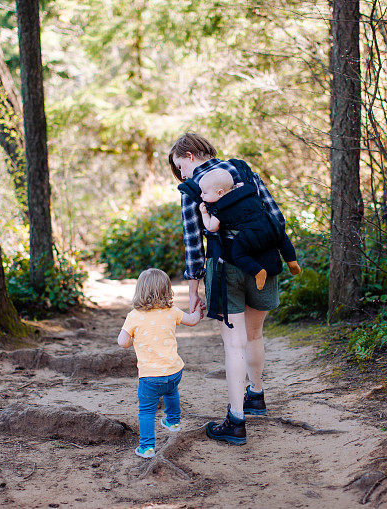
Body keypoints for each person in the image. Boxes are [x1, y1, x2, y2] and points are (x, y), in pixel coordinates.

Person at [168, 132, 288, 445]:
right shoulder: (244, 169)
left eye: (180, 166)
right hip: (265, 263)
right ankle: (257, 396)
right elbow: (276, 218)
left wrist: (193, 289)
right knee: (255, 335)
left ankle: (236, 421)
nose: (182, 174)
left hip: (225, 269)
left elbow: (194, 243)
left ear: (191, 156)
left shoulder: (193, 188)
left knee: (234, 344)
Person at [117, 268, 201, 458]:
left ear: (140, 291)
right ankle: (173, 421)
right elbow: (193, 320)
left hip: (149, 377)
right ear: (167, 291)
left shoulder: (134, 316)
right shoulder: (172, 311)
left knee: (146, 411)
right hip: (174, 372)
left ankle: (146, 447)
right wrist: (197, 309)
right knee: (171, 392)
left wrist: (132, 339)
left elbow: (122, 342)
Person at [197, 167, 301, 290]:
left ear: (220, 193)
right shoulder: (246, 191)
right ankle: (292, 261)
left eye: (204, 193)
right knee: (282, 239)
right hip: (270, 225)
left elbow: (211, 228)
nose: (201, 195)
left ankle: (258, 271)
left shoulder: (221, 208)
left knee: (238, 255)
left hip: (251, 236)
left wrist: (204, 213)